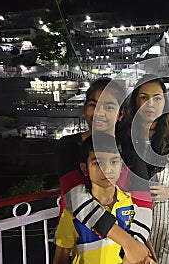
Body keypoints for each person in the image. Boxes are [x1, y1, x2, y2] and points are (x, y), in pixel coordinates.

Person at [55, 78, 153, 263]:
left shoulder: (131, 152)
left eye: (109, 107)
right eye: (94, 105)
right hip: (78, 240)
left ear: (120, 114)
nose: (99, 112)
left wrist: (134, 249)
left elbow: (143, 206)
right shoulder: (68, 147)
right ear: (85, 108)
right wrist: (130, 245)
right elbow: (76, 199)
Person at [118, 74, 169, 263]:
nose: (150, 104)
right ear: (135, 102)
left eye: (157, 98)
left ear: (164, 102)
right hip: (132, 222)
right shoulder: (125, 138)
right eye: (144, 97)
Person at [54, 133, 156, 264]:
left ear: (121, 167)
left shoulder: (133, 206)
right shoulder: (71, 214)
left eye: (114, 162)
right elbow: (61, 256)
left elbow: (143, 248)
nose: (107, 169)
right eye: (98, 163)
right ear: (85, 168)